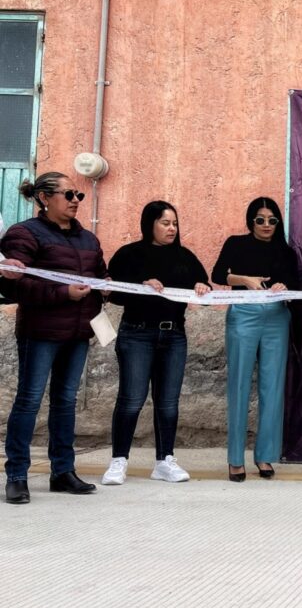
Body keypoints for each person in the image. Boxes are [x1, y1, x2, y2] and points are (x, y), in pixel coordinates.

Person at [2, 172, 105, 505]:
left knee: (66, 402)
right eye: (68, 194)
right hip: (40, 332)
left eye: (78, 195)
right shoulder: (24, 233)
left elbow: (101, 275)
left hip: (78, 332)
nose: (76, 200)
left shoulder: (88, 239)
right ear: (44, 198)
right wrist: (63, 293)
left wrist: (108, 287)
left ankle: (63, 471)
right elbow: (16, 285)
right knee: (29, 400)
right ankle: (17, 476)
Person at [101, 201, 211, 486]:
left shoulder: (185, 256)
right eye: (165, 223)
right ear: (149, 224)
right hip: (137, 334)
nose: (171, 228)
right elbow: (114, 293)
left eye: (174, 223)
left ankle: (165, 461)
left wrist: (202, 287)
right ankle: (118, 461)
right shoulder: (129, 254)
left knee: (168, 403)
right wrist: (141, 285)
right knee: (131, 400)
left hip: (174, 336)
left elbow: (203, 286)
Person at [211, 197, 298, 482]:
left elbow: (295, 283)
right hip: (243, 314)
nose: (266, 225)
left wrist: (284, 286)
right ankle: (235, 459)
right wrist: (244, 279)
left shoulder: (286, 251)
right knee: (238, 384)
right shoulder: (236, 244)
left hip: (276, 317)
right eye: (260, 219)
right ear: (251, 221)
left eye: (272, 220)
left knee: (273, 388)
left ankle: (265, 456)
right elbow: (217, 274)